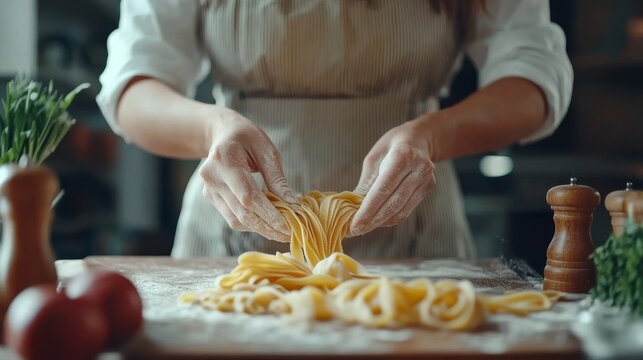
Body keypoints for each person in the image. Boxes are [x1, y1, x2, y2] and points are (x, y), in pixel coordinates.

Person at [97, 0, 572, 259]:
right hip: (232, 229)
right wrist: (212, 128)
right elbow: (134, 89)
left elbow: (533, 82)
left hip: (416, 234)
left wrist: (431, 134)